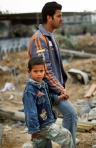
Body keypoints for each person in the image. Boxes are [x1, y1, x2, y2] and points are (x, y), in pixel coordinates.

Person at [27, 1, 78, 147]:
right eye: (59, 16)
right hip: (44, 92)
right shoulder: (39, 39)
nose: (61, 19)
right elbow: (45, 70)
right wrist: (60, 89)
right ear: (49, 17)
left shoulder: (49, 36)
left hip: (52, 91)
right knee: (70, 113)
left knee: (49, 123)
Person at [22, 57, 74, 148]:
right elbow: (30, 113)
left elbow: (47, 99)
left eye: (41, 71)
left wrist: (58, 97)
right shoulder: (29, 91)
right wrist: (34, 130)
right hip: (43, 125)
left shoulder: (43, 85)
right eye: (35, 71)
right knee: (66, 136)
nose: (39, 74)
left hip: (46, 121)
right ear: (29, 72)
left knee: (43, 146)